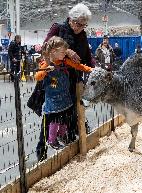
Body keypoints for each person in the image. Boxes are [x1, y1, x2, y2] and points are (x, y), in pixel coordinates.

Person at [36, 3, 92, 161]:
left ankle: (69, 144)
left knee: (69, 114)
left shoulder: (82, 34)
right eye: (78, 24)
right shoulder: (58, 28)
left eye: (83, 25)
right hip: (53, 80)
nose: (80, 27)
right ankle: (42, 153)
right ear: (71, 19)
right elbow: (45, 47)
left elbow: (87, 56)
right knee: (50, 116)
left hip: (72, 81)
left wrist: (94, 70)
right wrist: (66, 50)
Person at [35, 36, 93, 150]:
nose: (64, 54)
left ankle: (62, 135)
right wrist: (46, 70)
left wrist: (90, 69)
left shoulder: (64, 61)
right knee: (55, 119)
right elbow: (38, 77)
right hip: (53, 99)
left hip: (65, 96)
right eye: (62, 52)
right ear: (53, 51)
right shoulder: (46, 63)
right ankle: (52, 140)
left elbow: (78, 66)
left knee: (65, 118)